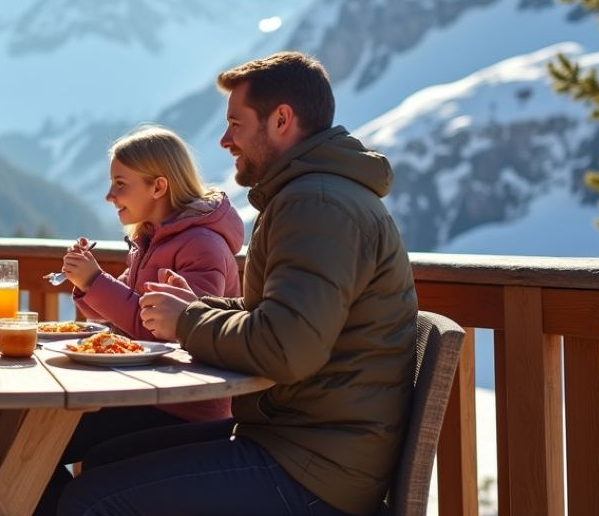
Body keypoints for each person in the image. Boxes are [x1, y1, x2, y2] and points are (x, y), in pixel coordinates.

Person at [59, 52, 418, 516]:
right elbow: (282, 322)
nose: (225, 140)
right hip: (306, 442)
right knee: (107, 458)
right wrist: (201, 309)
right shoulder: (313, 195)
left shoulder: (318, 205)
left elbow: (287, 347)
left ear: (282, 120)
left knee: (91, 500)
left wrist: (189, 320)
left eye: (236, 124)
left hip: (315, 468)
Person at [35, 125, 244, 515]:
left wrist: (95, 281)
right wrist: (89, 284)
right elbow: (127, 317)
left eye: (119, 184)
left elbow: (162, 326)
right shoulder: (153, 238)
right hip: (146, 393)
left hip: (184, 407)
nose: (110, 195)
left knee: (34, 451)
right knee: (32, 445)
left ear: (158, 186)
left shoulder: (202, 246)